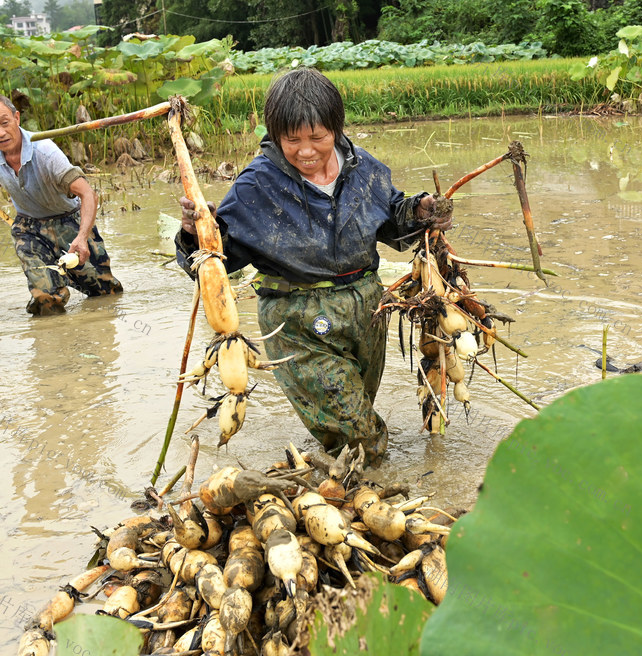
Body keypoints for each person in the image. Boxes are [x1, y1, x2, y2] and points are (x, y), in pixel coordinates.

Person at [176, 68, 452, 464]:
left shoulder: (363, 169)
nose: (306, 150)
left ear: (336, 129)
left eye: (317, 138)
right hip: (298, 320)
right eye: (293, 140)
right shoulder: (257, 185)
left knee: (351, 414)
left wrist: (421, 211)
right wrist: (195, 234)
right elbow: (216, 264)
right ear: (275, 133)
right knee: (359, 435)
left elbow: (394, 221)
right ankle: (382, 482)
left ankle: (345, 481)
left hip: (366, 308)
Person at [0, 93, 122, 316]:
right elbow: (0, 169)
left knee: (106, 294)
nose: (0, 133)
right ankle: (54, 339)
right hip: (29, 229)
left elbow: (88, 194)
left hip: (69, 223)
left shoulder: (46, 153)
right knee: (47, 298)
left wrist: (81, 238)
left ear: (16, 118)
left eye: (5, 123)